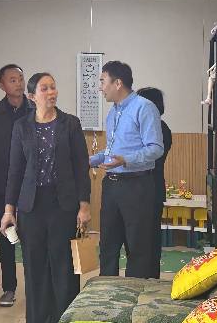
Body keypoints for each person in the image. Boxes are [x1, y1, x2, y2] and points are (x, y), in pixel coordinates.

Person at [1, 73, 92, 323]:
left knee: (64, 267)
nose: (51, 92)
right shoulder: (21, 126)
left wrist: (84, 206)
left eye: (53, 87)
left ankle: (65, 318)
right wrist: (9, 211)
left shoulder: (70, 123)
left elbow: (80, 167)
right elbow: (15, 170)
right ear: (32, 96)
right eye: (44, 89)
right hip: (31, 206)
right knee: (35, 267)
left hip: (63, 204)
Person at [89, 61, 164, 279]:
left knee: (137, 245)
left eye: (103, 82)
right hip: (111, 185)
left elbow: (155, 148)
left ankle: (133, 292)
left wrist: (126, 161)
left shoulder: (144, 107)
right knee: (107, 243)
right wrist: (89, 161)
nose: (100, 88)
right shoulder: (112, 113)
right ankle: (106, 290)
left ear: (118, 83)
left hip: (137, 185)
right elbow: (111, 151)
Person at [0, 64, 34, 307]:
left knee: (32, 237)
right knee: (6, 236)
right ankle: (9, 288)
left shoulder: (35, 109)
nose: (19, 83)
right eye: (12, 80)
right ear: (2, 85)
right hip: (2, 184)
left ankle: (34, 288)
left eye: (20, 78)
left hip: (32, 184)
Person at [136, 87, 172, 279]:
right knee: (145, 237)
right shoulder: (157, 127)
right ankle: (147, 277)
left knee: (148, 238)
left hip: (150, 188)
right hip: (147, 189)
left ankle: (149, 279)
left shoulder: (159, 129)